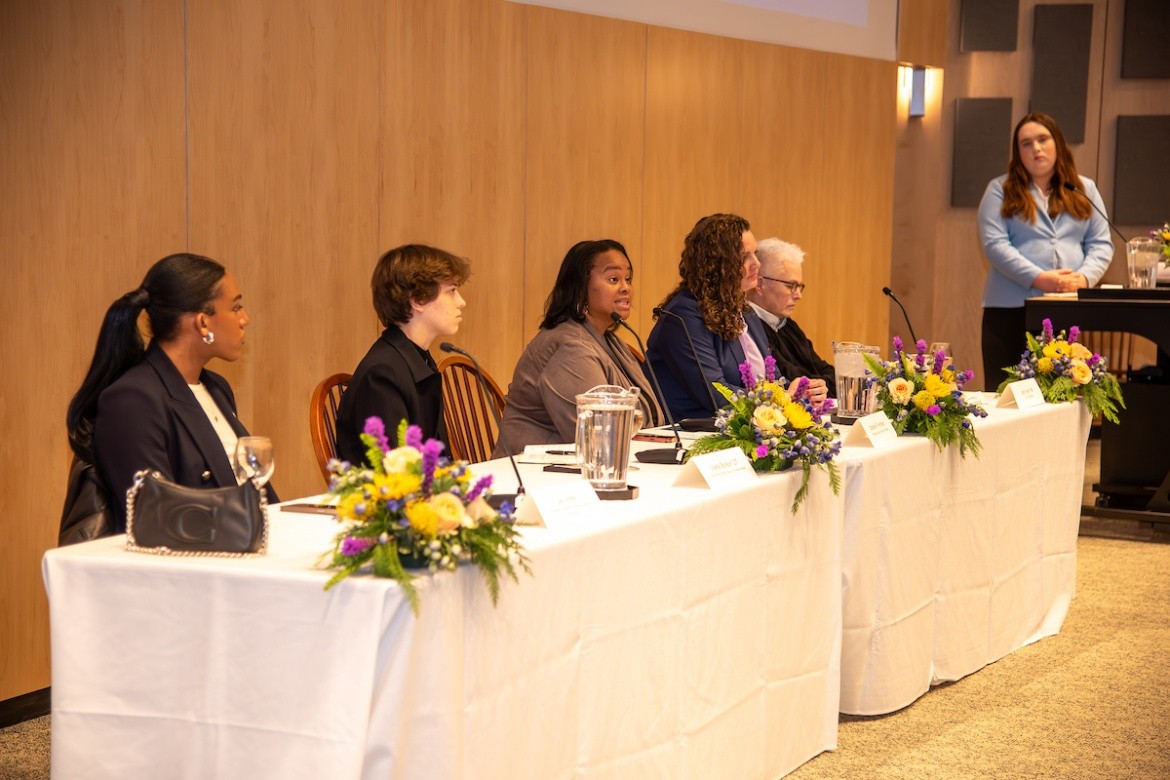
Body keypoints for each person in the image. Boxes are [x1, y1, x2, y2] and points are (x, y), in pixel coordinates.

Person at [66, 253, 276, 533]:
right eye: (236, 308)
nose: (244, 319)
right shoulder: (131, 399)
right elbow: (155, 514)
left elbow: (255, 493)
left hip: (239, 546)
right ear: (203, 323)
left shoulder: (216, 388)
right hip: (189, 565)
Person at [977, 111, 1113, 386]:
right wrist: (1040, 278)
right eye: (1026, 143)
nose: (1035, 148)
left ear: (1057, 144)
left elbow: (1101, 244)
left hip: (1065, 309)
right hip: (1009, 311)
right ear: (1018, 152)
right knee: (1007, 395)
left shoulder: (1084, 188)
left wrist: (1084, 278)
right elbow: (995, 245)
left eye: (1042, 139)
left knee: (1059, 394)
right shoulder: (999, 190)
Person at [494, 239, 664, 454]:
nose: (626, 288)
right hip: (537, 475)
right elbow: (597, 438)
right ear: (580, 288)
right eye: (613, 279)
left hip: (590, 467)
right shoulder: (569, 347)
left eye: (628, 279)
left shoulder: (610, 341)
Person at [335, 244, 469, 465]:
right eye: (452, 291)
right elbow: (397, 472)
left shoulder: (418, 358)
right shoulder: (383, 373)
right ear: (417, 300)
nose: (461, 301)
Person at [645, 213, 772, 420]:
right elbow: (716, 395)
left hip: (743, 430)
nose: (756, 264)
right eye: (744, 257)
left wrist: (799, 391)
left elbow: (769, 377)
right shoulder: (683, 317)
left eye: (755, 254)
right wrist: (774, 404)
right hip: (693, 439)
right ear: (716, 265)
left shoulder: (746, 313)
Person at [748, 237, 835, 399]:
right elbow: (790, 379)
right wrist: (821, 384)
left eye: (799, 286)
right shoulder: (749, 329)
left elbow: (827, 372)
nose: (798, 296)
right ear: (759, 285)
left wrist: (822, 385)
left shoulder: (789, 326)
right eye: (790, 286)